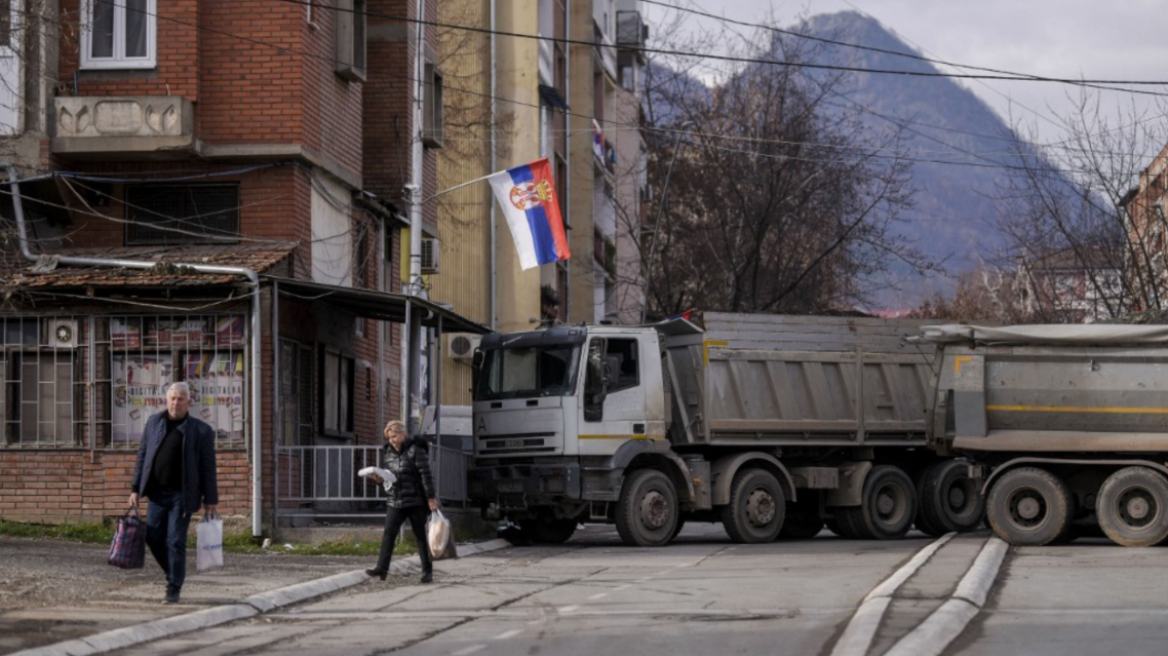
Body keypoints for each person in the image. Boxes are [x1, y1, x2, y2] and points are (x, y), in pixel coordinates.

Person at [128, 382, 219, 604]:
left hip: (182, 495)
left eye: (180, 399)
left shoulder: (201, 430)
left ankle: (173, 588)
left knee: (175, 540)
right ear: (166, 400)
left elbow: (208, 466)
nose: (175, 403)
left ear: (188, 402)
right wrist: (134, 488)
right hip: (157, 494)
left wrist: (211, 498)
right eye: (172, 398)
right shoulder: (154, 423)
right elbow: (143, 456)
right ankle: (174, 572)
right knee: (152, 537)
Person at [366, 420, 438, 583]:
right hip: (395, 500)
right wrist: (379, 479)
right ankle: (381, 569)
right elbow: (389, 478)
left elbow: (426, 476)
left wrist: (431, 498)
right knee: (389, 534)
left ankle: (427, 571)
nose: (391, 440)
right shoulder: (388, 453)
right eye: (389, 437)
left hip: (415, 501)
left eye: (394, 436)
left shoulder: (416, 451)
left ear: (403, 434)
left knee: (420, 536)